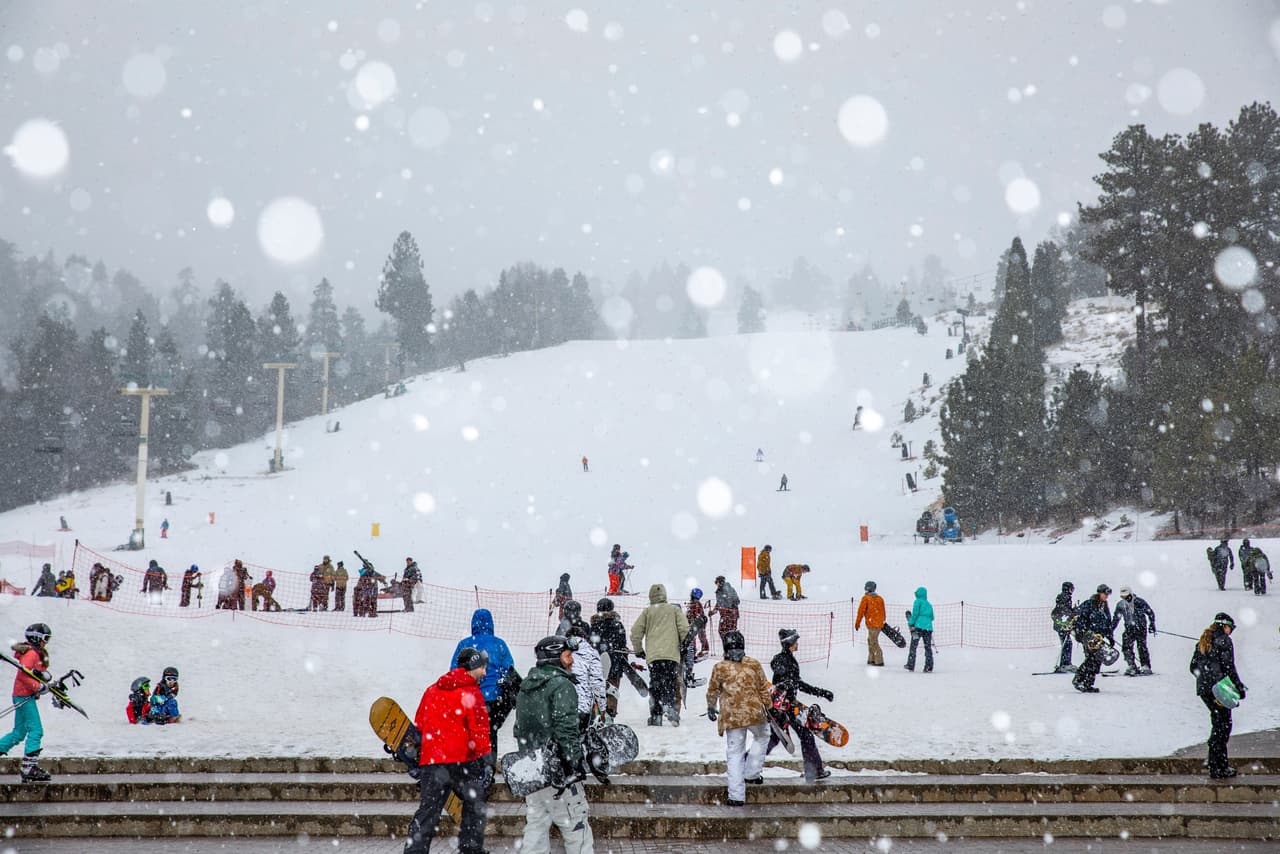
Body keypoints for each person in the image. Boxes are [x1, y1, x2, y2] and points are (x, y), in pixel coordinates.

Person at [404, 647, 492, 854]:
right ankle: (470, 848)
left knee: (428, 811)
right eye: (482, 668)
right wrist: (486, 759)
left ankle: (415, 851)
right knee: (475, 802)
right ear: (472, 667)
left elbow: (420, 724)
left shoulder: (432, 690)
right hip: (462, 760)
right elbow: (479, 729)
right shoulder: (472, 693)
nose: (484, 673)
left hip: (433, 761)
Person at [513, 635, 594, 854]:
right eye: (567, 656)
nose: (572, 661)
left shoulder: (526, 685)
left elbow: (520, 727)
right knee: (576, 825)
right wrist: (574, 762)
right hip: (558, 769)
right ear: (554, 658)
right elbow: (565, 728)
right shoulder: (561, 685)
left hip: (532, 768)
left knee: (536, 826)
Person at [705, 629, 771, 806]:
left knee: (735, 753)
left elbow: (713, 690)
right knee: (763, 736)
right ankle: (752, 773)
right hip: (755, 713)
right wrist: (769, 706)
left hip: (732, 716)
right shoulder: (754, 664)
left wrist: (711, 707)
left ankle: (736, 796)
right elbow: (763, 688)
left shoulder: (720, 667)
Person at [765, 629, 832, 782]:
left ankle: (747, 765)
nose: (797, 644)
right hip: (784, 708)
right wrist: (784, 680)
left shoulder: (788, 660)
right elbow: (779, 671)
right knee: (797, 737)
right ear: (789, 644)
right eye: (795, 641)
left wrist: (821, 692)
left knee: (779, 739)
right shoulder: (782, 660)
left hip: (786, 707)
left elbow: (797, 684)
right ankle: (814, 770)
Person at [452, 608, 516, 757]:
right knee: (490, 732)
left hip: (470, 699)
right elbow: (509, 670)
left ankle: (472, 762)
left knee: (470, 731)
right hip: (493, 698)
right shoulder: (499, 644)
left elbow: (455, 671)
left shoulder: (464, 645)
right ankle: (489, 764)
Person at [1189, 613, 1247, 779]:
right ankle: (1219, 765)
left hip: (1205, 690)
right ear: (1224, 626)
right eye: (1231, 628)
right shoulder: (1224, 641)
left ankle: (1214, 762)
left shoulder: (1203, 641)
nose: (1231, 631)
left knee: (1218, 723)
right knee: (1223, 726)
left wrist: (1204, 679)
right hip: (1219, 689)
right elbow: (1229, 667)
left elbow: (1192, 667)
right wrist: (1238, 687)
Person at [0, 623, 55, 782]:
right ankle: (29, 767)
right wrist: (38, 687)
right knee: (36, 730)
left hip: (23, 695)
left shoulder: (35, 653)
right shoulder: (31, 653)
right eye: (45, 638)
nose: (46, 642)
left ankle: (27, 766)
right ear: (37, 638)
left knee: (19, 733)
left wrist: (44, 681)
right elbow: (23, 675)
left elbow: (33, 674)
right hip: (24, 696)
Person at [631, 583, 689, 727]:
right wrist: (684, 645)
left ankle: (656, 715)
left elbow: (635, 632)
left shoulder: (647, 612)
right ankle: (670, 708)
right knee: (670, 682)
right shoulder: (674, 610)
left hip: (654, 656)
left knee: (655, 684)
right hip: (671, 654)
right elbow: (684, 629)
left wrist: (638, 649)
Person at [591, 597, 630, 721]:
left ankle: (598, 713)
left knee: (598, 689)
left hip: (597, 663)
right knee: (612, 688)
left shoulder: (594, 626)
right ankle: (611, 712)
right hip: (615, 662)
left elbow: (591, 644)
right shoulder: (618, 625)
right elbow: (622, 644)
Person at [1072, 584, 1115, 693]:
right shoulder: (1089, 604)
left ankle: (1088, 683)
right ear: (1099, 593)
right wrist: (1081, 632)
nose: (1106, 596)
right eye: (1105, 593)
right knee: (1091, 659)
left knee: (1098, 660)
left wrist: (1110, 637)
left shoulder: (1104, 606)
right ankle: (1078, 680)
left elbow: (1108, 622)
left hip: (1099, 638)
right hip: (1089, 636)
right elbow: (1080, 618)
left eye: (1108, 594)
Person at [565, 619, 606, 730]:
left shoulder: (562, 652)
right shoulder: (591, 653)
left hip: (561, 705)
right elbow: (597, 682)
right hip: (582, 707)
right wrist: (602, 708)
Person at [1111, 586, 1157, 676]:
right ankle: (1131, 665)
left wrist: (1152, 624)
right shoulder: (1120, 605)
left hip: (1141, 628)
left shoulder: (1139, 602)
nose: (1125, 598)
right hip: (1129, 629)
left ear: (1131, 594)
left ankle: (1145, 666)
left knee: (1142, 647)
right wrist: (1110, 630)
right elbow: (1116, 619)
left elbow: (1150, 612)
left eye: (1127, 596)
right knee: (1126, 647)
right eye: (1123, 597)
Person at [854, 581, 886, 666]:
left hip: (872, 624)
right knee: (870, 640)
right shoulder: (880, 598)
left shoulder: (866, 598)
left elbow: (860, 612)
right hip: (878, 624)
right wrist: (882, 621)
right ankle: (871, 659)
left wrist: (857, 623)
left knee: (873, 642)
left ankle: (879, 660)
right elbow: (883, 612)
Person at [904, 586, 935, 673]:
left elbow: (915, 614)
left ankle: (910, 665)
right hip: (928, 628)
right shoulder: (929, 604)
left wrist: (910, 622)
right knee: (928, 647)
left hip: (918, 627)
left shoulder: (917, 602)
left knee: (913, 646)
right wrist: (926, 620)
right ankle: (929, 666)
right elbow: (932, 617)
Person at [1051, 582, 1077, 673]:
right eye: (1071, 589)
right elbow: (1064, 610)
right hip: (1062, 624)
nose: (1072, 591)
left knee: (1067, 643)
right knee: (1067, 643)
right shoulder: (1065, 597)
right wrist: (1072, 613)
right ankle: (1065, 664)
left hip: (1061, 624)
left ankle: (1065, 663)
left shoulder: (1064, 597)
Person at [709, 575, 740, 652]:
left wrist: (730, 608)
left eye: (717, 582)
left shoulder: (728, 590)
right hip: (725, 615)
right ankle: (728, 649)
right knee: (724, 632)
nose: (716, 584)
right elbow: (719, 603)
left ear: (720, 582)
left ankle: (731, 649)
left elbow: (737, 601)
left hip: (730, 615)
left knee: (727, 632)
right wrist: (713, 611)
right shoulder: (720, 591)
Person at [686, 589, 710, 657]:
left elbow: (697, 613)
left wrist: (692, 620)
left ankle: (703, 650)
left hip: (698, 623)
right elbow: (690, 613)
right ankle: (695, 650)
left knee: (699, 636)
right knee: (697, 636)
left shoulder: (696, 604)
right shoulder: (693, 603)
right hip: (696, 623)